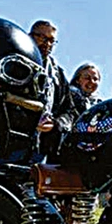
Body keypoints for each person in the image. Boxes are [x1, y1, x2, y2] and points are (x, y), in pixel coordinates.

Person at [29, 20, 75, 160]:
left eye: (51, 40)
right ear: (30, 36)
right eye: (42, 37)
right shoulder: (13, 64)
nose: (47, 44)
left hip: (44, 148)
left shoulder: (58, 74)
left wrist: (56, 124)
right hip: (12, 143)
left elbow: (69, 111)